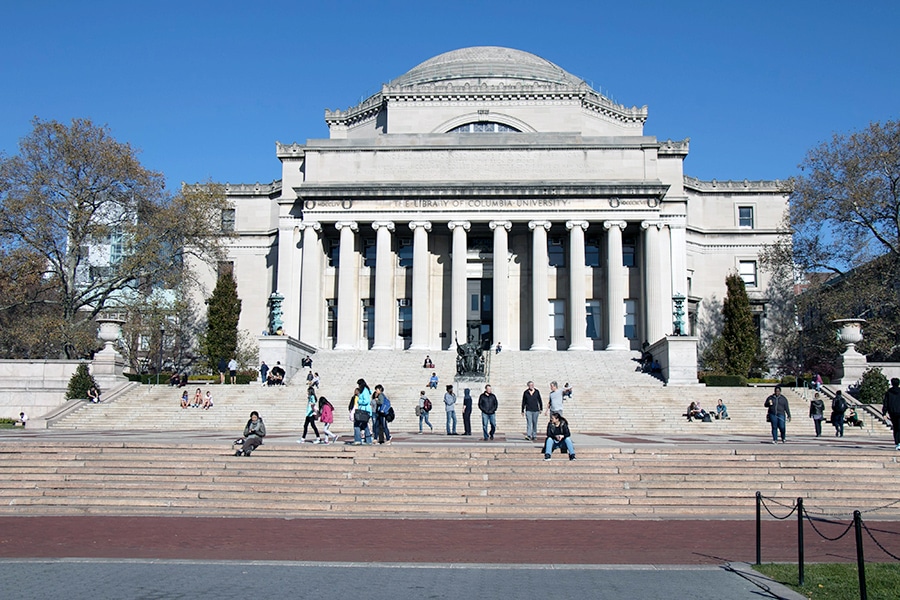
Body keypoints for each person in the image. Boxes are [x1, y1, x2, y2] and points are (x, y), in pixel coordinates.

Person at [352, 379, 373, 445]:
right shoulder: (365, 390)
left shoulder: (365, 391)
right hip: (364, 410)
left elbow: (366, 401)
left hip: (364, 410)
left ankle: (358, 440)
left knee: (356, 425)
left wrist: (359, 401)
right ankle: (368, 440)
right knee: (365, 425)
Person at [882, 377, 900, 451]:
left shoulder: (888, 392)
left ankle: (897, 443)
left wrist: (884, 413)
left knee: (895, 428)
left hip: (892, 412)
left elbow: (885, 403)